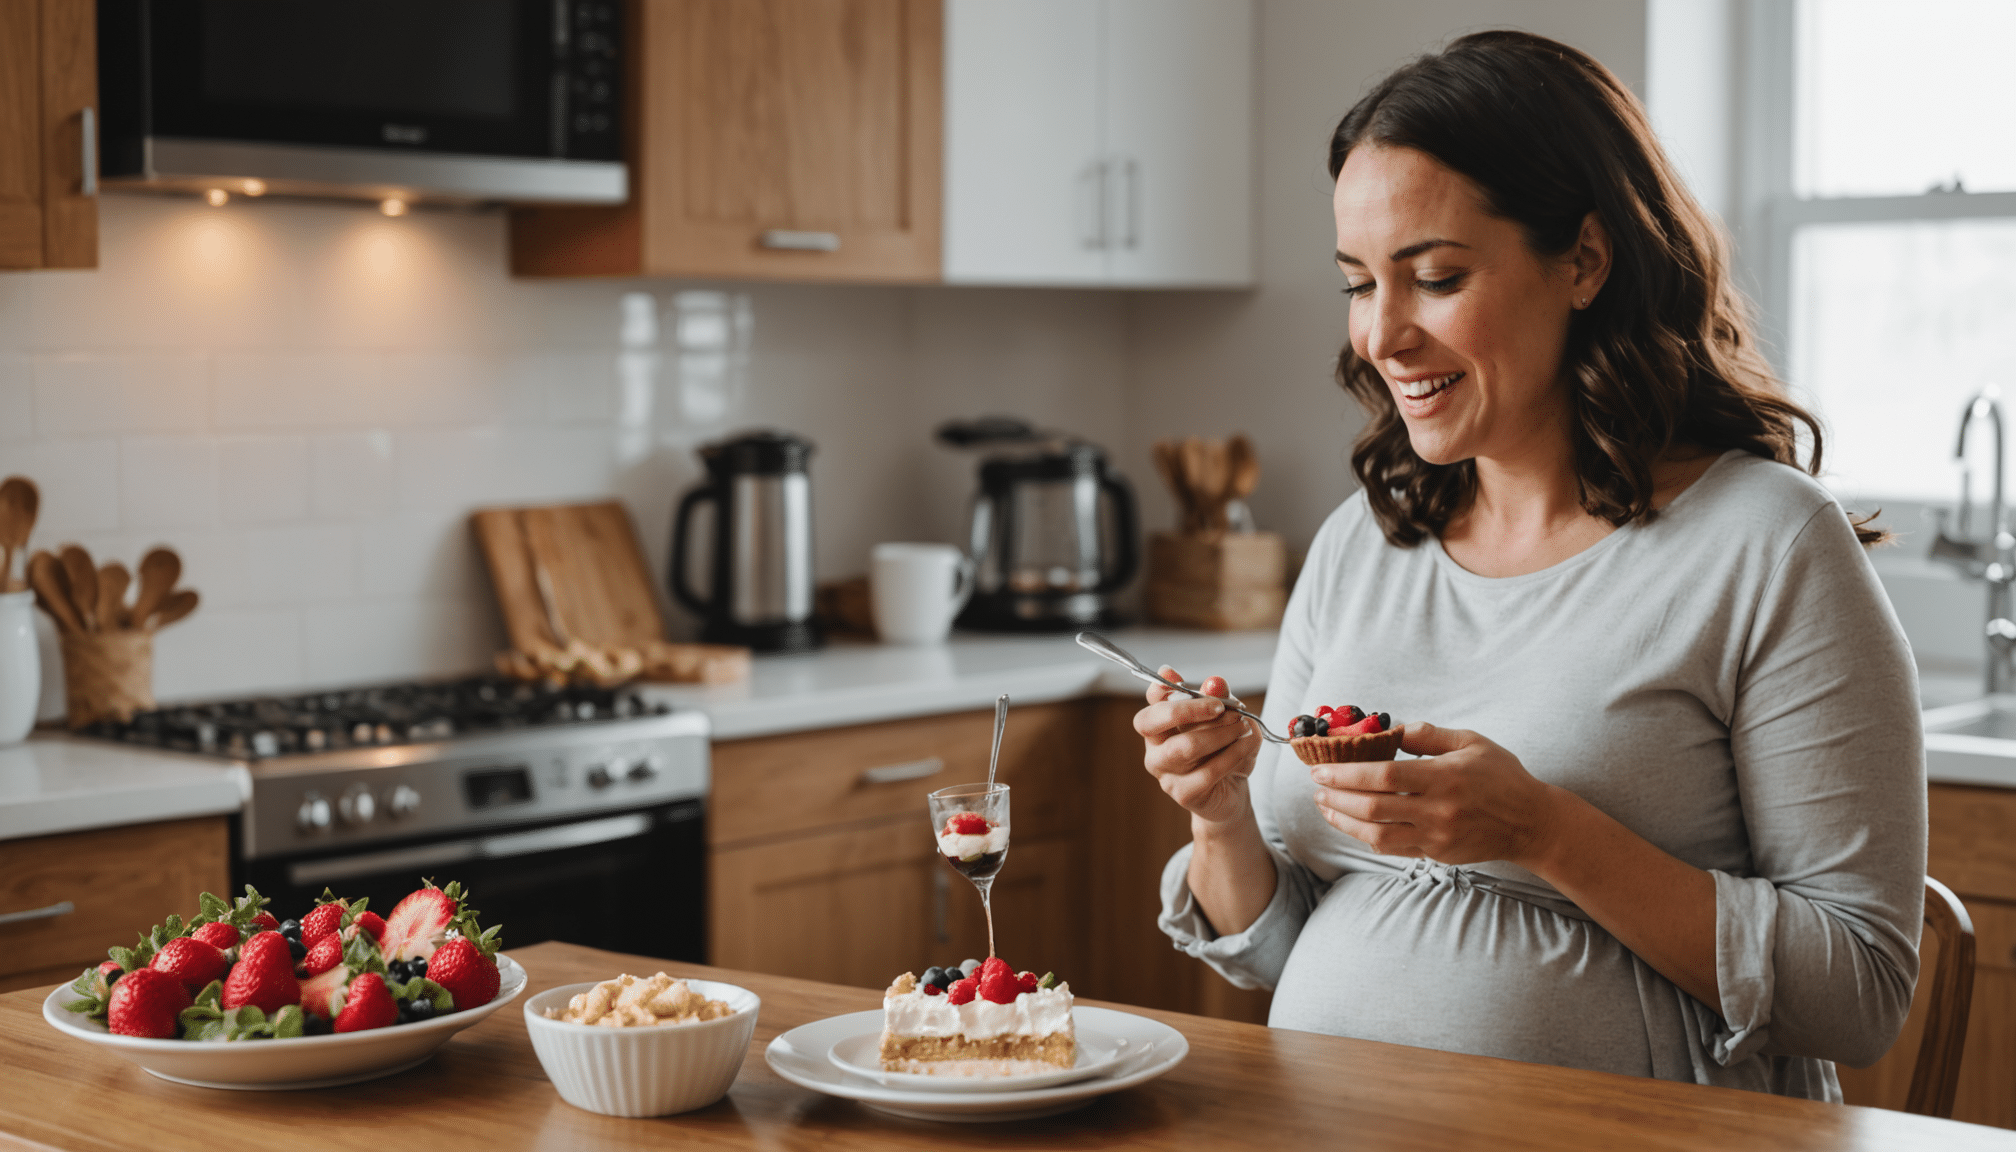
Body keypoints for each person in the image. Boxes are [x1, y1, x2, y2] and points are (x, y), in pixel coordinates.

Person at [1138, 30, 1923, 1100]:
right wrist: (1222, 811)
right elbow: (1280, 954)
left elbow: (1860, 994)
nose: (1383, 335)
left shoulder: (1768, 544)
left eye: (1436, 277)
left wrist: (1543, 831)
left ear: (1584, 261)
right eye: (1359, 284)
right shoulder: (1361, 547)